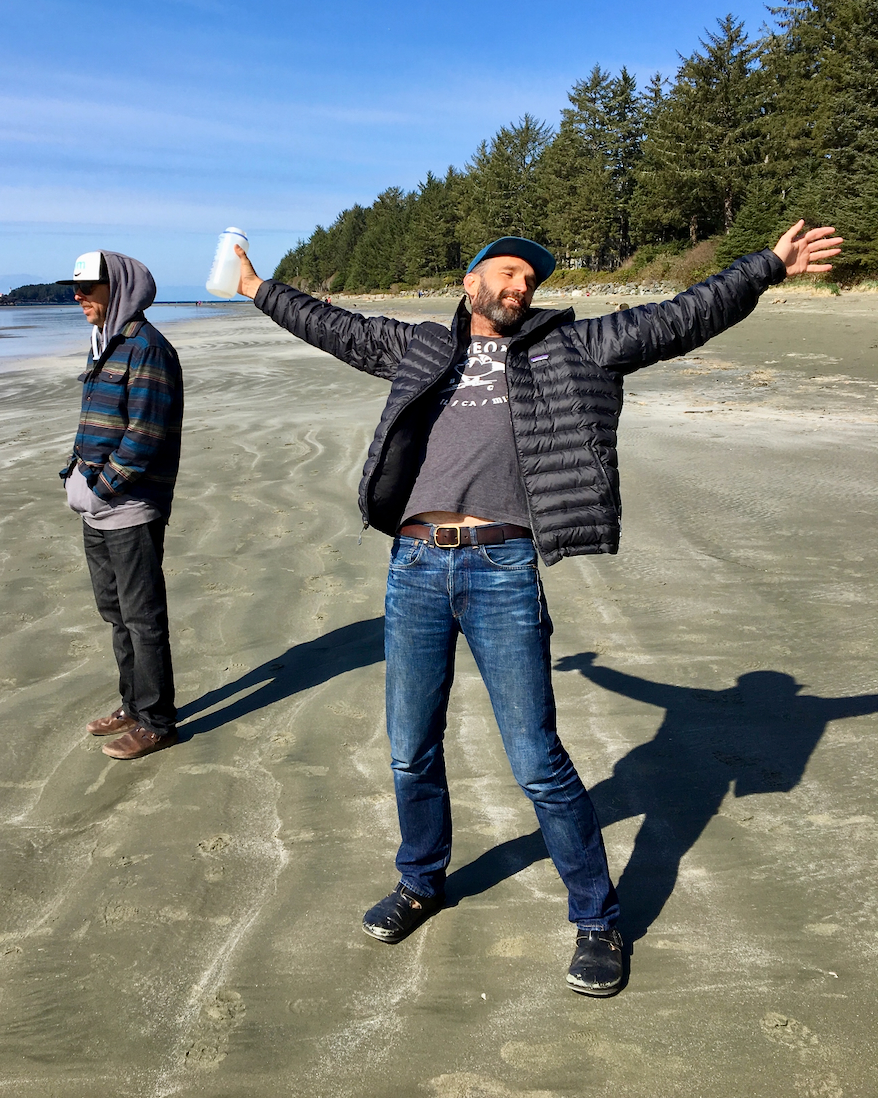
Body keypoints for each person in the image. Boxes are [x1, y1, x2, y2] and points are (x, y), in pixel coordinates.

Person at [232, 219, 840, 996]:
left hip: (503, 567)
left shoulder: (577, 346)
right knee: (410, 748)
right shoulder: (419, 345)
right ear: (471, 280)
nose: (522, 287)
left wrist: (767, 267)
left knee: (536, 758)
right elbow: (335, 326)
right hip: (414, 564)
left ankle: (596, 919)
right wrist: (256, 289)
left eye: (531, 280)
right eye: (510, 274)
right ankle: (421, 879)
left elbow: (684, 314)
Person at [58, 250, 185, 759]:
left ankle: (157, 721)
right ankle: (133, 705)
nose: (78, 296)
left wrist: (102, 486)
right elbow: (93, 423)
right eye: (75, 286)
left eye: (89, 286)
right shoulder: (103, 344)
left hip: (130, 506)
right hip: (97, 507)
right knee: (114, 612)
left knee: (141, 616)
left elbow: (145, 435)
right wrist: (73, 472)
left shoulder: (147, 348)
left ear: (120, 286)